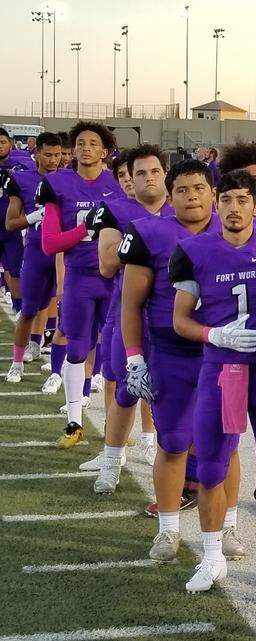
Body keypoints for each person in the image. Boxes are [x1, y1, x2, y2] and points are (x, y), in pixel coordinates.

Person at [169, 169, 256, 593]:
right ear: (217, 203)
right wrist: (213, 334)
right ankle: (212, 555)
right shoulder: (194, 250)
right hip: (224, 369)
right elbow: (179, 319)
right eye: (227, 200)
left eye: (243, 201)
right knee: (213, 466)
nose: (233, 208)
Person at [118, 159, 220, 562]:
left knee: (222, 445)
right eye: (182, 189)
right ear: (169, 194)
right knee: (174, 441)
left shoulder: (235, 230)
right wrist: (134, 356)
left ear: (212, 191)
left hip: (224, 351)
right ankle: (168, 529)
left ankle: (225, 526)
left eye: (199, 188)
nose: (191, 196)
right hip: (171, 350)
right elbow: (131, 305)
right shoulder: (149, 233)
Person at [84, 144, 173, 493]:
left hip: (173, 316)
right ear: (130, 180)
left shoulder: (182, 208)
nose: (148, 178)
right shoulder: (115, 210)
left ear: (165, 174)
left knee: (173, 393)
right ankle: (111, 461)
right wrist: (148, 242)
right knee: (125, 389)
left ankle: (163, 456)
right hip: (130, 314)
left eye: (154, 171)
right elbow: (106, 264)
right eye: (140, 173)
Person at [37, 121, 126, 448]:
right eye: (80, 143)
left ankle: (117, 427)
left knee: (119, 357)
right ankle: (74, 423)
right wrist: (84, 228)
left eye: (93, 143)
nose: (86, 147)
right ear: (72, 150)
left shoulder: (119, 183)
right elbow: (49, 244)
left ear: (104, 151)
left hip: (115, 279)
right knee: (76, 347)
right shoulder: (57, 184)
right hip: (80, 278)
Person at [4, 132, 63, 384]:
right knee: (28, 309)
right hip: (37, 251)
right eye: (48, 154)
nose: (53, 160)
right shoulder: (22, 179)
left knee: (64, 309)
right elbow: (9, 223)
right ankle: (16, 363)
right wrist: (32, 217)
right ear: (36, 152)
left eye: (58, 155)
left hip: (63, 254)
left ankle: (57, 367)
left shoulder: (68, 180)